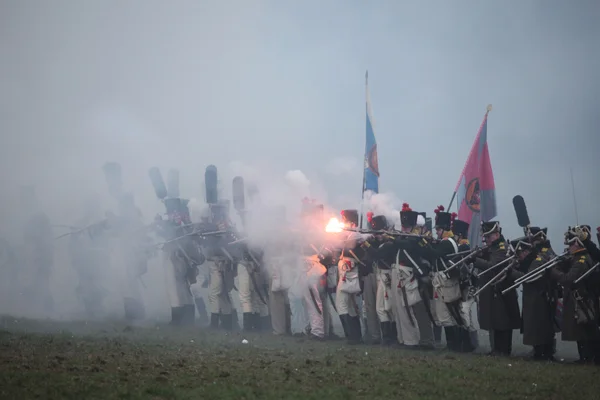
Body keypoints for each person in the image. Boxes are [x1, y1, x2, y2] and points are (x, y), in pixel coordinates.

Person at [550, 226, 600, 364]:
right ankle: (585, 357)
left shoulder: (582, 259)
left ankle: (588, 358)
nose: (569, 247)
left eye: (572, 244)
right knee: (580, 329)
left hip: (582, 299)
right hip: (579, 298)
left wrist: (554, 272)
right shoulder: (577, 258)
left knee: (584, 329)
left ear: (577, 243)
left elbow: (569, 280)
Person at [470, 221, 521, 356]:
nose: (486, 240)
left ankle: (503, 350)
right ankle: (496, 349)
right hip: (493, 290)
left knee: (502, 321)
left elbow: (494, 266)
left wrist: (476, 260)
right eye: (485, 237)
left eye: (489, 236)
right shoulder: (493, 248)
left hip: (501, 289)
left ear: (497, 234)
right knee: (495, 320)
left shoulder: (502, 248)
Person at [507, 231, 557, 361]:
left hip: (539, 298)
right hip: (534, 298)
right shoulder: (533, 260)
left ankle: (544, 354)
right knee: (535, 327)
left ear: (525, 251)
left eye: (520, 254)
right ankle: (539, 352)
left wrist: (512, 271)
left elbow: (528, 278)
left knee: (540, 327)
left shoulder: (537, 260)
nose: (520, 257)